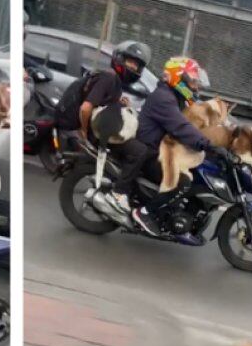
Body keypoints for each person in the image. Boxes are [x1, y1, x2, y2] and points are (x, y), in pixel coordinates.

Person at [130, 57, 232, 241]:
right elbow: (181, 128)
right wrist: (207, 145)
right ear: (178, 79)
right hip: (150, 152)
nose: (196, 87)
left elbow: (193, 125)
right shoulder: (164, 99)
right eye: (192, 82)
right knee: (182, 182)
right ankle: (145, 212)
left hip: (162, 148)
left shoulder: (176, 98)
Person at [64, 40, 151, 214]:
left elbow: (103, 103)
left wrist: (118, 101)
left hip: (105, 128)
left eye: (137, 65)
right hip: (99, 133)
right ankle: (119, 194)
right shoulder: (108, 78)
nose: (133, 68)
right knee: (140, 151)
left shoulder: (115, 81)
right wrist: (83, 130)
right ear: (119, 59)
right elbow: (86, 107)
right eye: (130, 62)